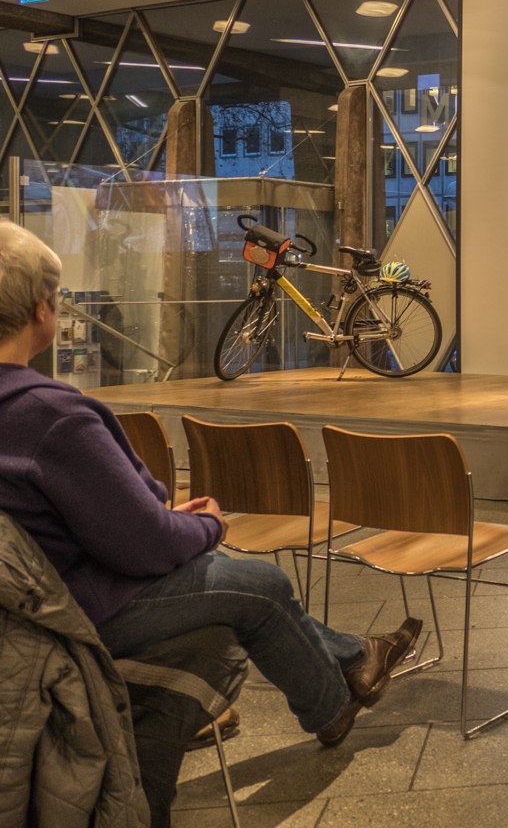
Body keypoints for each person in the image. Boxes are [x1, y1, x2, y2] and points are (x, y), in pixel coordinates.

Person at [0, 220, 419, 749]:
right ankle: (338, 698)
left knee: (221, 571)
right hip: (76, 608)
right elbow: (144, 545)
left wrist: (173, 524)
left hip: (30, 597)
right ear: (42, 310)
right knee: (261, 586)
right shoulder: (52, 417)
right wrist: (205, 524)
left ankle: (357, 661)